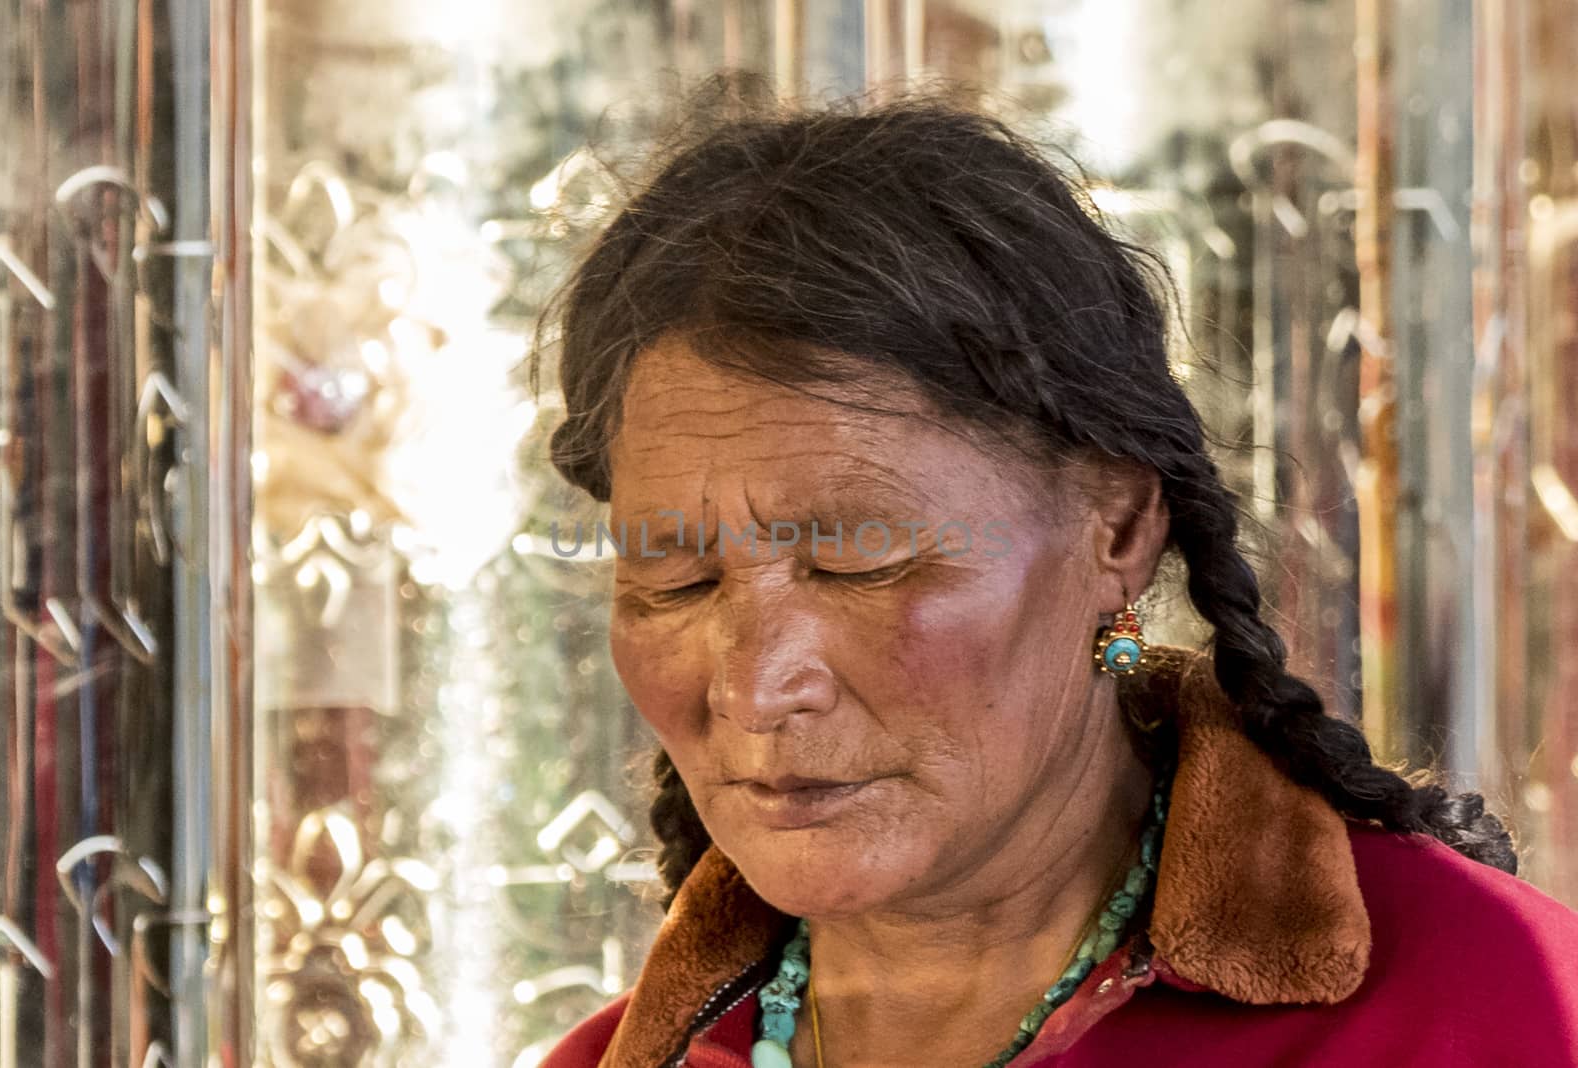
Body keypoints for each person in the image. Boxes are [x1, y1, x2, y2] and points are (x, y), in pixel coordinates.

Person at [534, 84, 1578, 1068]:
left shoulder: (1481, 1005)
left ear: (1116, 529)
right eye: (675, 582)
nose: (755, 685)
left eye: (858, 562)